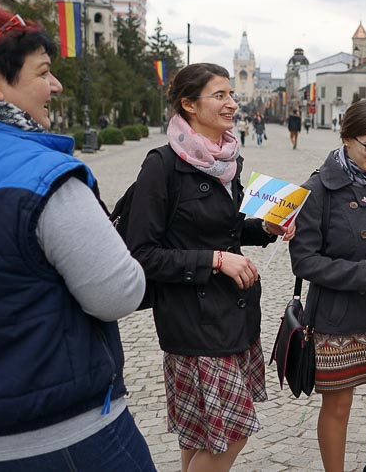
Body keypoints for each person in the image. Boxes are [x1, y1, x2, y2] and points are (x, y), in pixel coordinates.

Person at [0, 1, 154, 470]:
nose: (56, 85)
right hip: (57, 439)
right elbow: (118, 292)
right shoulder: (42, 175)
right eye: (43, 72)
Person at [124, 63, 295, 472]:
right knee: (233, 432)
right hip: (192, 319)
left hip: (234, 313)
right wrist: (215, 260)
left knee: (201, 433)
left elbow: (224, 227)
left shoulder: (227, 161)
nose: (232, 103)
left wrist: (265, 227)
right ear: (189, 104)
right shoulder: (162, 165)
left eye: (231, 94)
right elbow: (141, 252)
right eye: (219, 96)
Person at [290, 99, 366, 472]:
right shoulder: (316, 189)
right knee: (338, 405)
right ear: (346, 138)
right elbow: (305, 261)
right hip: (336, 316)